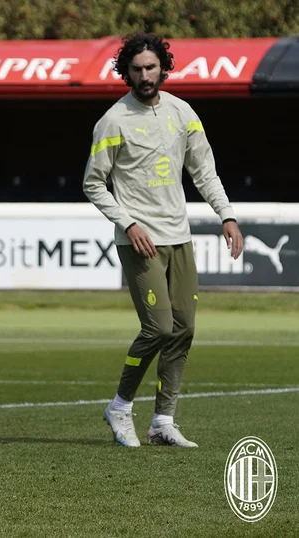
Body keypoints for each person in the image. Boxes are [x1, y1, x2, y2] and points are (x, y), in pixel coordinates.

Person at [83, 33, 244, 448]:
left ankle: (162, 421)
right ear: (127, 72)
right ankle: (119, 407)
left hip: (180, 236)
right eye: (136, 69)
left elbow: (204, 171)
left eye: (151, 67)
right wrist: (129, 223)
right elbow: (93, 183)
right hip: (139, 240)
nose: (145, 75)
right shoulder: (113, 120)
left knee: (184, 328)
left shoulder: (183, 112)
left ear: (163, 67)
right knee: (157, 327)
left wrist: (226, 215)